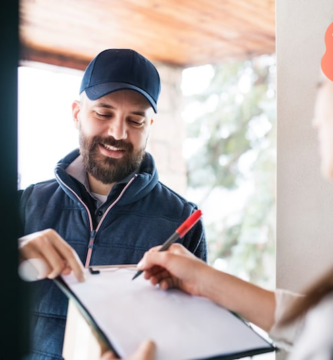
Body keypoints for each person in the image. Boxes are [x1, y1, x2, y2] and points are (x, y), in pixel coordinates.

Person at [121, 72, 333, 359]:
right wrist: (206, 281)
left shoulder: (179, 211)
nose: (315, 121)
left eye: (327, 81)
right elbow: (310, 324)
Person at [18, 48, 207, 360]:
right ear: (77, 113)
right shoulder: (27, 203)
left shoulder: (182, 220)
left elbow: (197, 343)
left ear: (150, 126)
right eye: (103, 114)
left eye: (135, 120)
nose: (118, 133)